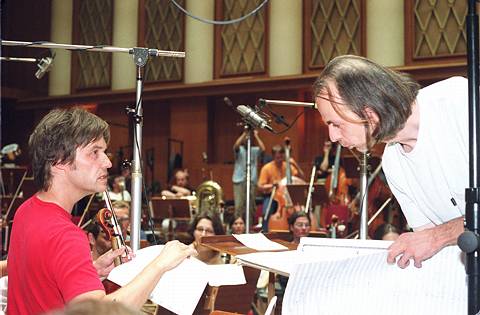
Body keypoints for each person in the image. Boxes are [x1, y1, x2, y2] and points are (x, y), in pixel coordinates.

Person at [7, 108, 196, 314]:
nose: (107, 162)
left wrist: (89, 272)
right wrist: (160, 265)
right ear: (59, 161)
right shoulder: (66, 236)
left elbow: (41, 286)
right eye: (94, 152)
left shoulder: (26, 210)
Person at [314, 55, 466, 268]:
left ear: (368, 112)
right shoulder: (393, 164)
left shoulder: (458, 101)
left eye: (335, 123)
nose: (332, 137)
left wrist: (437, 237)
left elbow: (432, 238)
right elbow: (429, 247)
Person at [257, 145, 304, 231]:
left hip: (286, 196)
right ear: (273, 156)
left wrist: (295, 164)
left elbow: (301, 177)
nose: (279, 160)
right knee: (266, 212)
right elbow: (260, 186)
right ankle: (265, 231)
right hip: (271, 195)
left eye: (281, 157)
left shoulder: (288, 166)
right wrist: (272, 185)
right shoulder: (267, 168)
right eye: (277, 157)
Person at [232, 129, 265, 221]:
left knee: (250, 206)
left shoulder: (254, 150)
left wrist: (256, 135)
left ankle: (249, 226)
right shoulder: (240, 150)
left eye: (248, 138)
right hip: (239, 180)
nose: (247, 139)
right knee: (239, 206)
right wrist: (244, 133)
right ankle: (238, 227)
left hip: (251, 180)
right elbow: (236, 146)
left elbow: (263, 149)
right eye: (245, 138)